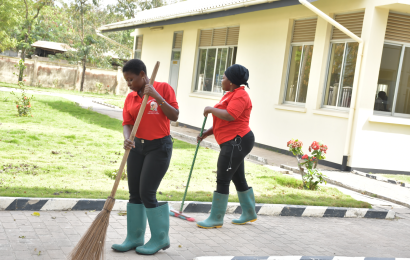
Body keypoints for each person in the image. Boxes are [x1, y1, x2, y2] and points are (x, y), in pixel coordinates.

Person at [111, 59, 179, 255]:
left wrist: (156, 96)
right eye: (126, 80)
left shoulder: (163, 88)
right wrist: (127, 138)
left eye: (131, 79)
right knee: (134, 193)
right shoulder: (131, 98)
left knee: (147, 192)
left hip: (159, 147)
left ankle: (160, 238)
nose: (129, 84)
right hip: (137, 147)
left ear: (142, 74)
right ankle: (134, 238)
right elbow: (127, 122)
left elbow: (174, 115)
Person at [196, 64, 256, 229]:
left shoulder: (241, 96)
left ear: (231, 81)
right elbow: (223, 120)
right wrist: (206, 134)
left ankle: (216, 218)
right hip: (233, 141)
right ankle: (250, 213)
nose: (221, 80)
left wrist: (210, 108)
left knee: (223, 178)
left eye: (223, 77)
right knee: (238, 178)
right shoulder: (231, 94)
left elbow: (230, 116)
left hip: (237, 141)